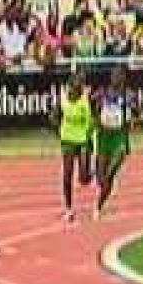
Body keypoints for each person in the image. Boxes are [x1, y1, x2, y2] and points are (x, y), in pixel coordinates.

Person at [91, 66, 141, 219]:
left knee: (110, 173)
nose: (116, 78)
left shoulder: (130, 96)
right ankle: (104, 187)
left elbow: (140, 115)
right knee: (101, 178)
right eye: (113, 75)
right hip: (104, 137)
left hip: (120, 138)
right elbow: (90, 107)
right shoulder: (102, 93)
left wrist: (133, 121)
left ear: (124, 78)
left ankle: (98, 207)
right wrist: (96, 118)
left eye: (119, 76)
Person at [51, 72, 94, 223]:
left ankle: (90, 174)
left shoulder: (86, 98)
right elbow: (54, 116)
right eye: (76, 86)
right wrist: (58, 129)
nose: (79, 89)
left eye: (81, 85)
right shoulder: (62, 98)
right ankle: (69, 209)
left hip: (84, 139)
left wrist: (90, 134)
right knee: (67, 174)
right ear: (70, 86)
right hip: (68, 139)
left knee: (83, 178)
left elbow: (93, 118)